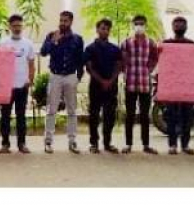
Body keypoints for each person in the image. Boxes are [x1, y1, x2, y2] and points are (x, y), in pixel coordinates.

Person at [40, 11, 84, 154]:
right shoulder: (52, 35)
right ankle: (48, 141)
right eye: (61, 20)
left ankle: (72, 141)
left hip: (71, 76)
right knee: (51, 109)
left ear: (71, 22)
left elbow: (80, 60)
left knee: (72, 111)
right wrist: (53, 41)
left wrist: (78, 77)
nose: (62, 23)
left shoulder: (77, 39)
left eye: (65, 21)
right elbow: (43, 52)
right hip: (55, 76)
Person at [120, 15, 159, 155]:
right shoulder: (126, 43)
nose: (139, 26)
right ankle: (128, 144)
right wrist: (125, 71)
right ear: (133, 25)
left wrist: (148, 69)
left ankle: (146, 144)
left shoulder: (151, 43)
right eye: (136, 24)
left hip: (144, 83)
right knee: (130, 115)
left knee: (144, 115)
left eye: (141, 24)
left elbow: (155, 58)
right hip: (130, 82)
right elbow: (122, 61)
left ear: (145, 25)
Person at [0, 14, 36, 154]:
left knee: (21, 116)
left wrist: (30, 79)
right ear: (9, 27)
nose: (17, 28)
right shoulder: (2, 43)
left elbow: (31, 64)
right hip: (7, 86)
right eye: (14, 26)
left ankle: (22, 144)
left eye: (19, 25)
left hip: (22, 85)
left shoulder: (28, 44)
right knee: (5, 116)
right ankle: (5, 144)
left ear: (22, 26)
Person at [84, 18, 122, 154]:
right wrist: (101, 81)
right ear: (97, 30)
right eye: (102, 28)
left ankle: (107, 143)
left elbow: (119, 66)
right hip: (95, 86)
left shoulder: (115, 49)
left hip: (111, 87)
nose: (104, 31)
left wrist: (110, 81)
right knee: (94, 115)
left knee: (110, 116)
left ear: (109, 31)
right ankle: (94, 143)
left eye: (107, 28)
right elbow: (89, 67)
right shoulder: (90, 48)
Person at [161, 16, 194, 155]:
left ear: (186, 27)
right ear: (172, 26)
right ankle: (172, 144)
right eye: (177, 23)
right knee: (171, 116)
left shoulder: (191, 44)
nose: (179, 26)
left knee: (187, 116)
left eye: (182, 23)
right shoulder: (166, 43)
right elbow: (163, 63)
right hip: (172, 85)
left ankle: (185, 145)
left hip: (186, 85)